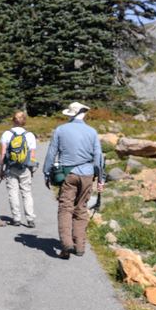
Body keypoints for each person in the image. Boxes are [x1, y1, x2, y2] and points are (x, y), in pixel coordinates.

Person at [42, 101, 104, 259]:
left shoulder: (60, 130)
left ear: (72, 114)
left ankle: (66, 243)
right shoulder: (92, 132)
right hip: (88, 174)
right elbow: (98, 157)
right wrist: (100, 179)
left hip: (68, 175)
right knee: (81, 209)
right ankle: (80, 246)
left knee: (65, 208)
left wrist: (46, 172)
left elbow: (51, 154)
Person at [0, 110, 37, 227]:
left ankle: (16, 218)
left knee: (13, 192)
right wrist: (32, 169)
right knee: (26, 192)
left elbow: (3, 153)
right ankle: (30, 219)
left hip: (11, 167)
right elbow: (32, 155)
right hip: (25, 167)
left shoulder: (6, 134)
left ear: (13, 120)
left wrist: (1, 169)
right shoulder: (29, 135)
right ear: (24, 121)